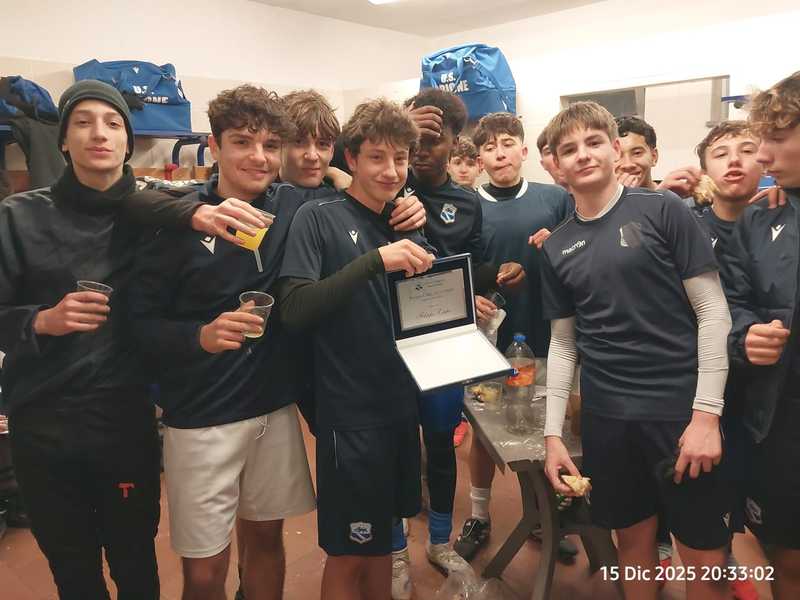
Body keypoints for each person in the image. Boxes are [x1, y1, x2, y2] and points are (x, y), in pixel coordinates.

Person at [0, 80, 257, 600]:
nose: (99, 133)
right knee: (73, 570)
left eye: (113, 123)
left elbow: (210, 204)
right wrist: (42, 321)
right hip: (42, 425)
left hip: (123, 422)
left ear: (127, 142)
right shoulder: (18, 217)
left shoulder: (154, 215)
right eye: (83, 122)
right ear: (63, 140)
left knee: (136, 562)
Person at [128, 85, 318, 600]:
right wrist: (200, 336)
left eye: (270, 145)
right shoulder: (179, 220)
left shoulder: (293, 208)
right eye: (242, 142)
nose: (259, 157)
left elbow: (350, 180)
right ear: (214, 146)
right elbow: (138, 326)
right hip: (201, 418)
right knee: (205, 570)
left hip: (273, 409)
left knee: (266, 544)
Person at [541, 101, 733, 600]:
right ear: (556, 165)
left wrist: (707, 416)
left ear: (614, 148)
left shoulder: (663, 210)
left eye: (593, 142)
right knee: (631, 541)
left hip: (679, 414)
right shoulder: (556, 246)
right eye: (569, 149)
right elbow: (563, 344)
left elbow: (714, 312)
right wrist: (552, 435)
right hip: (609, 419)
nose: (583, 155)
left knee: (703, 555)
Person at [277, 98, 435, 600]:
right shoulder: (317, 217)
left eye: (400, 159)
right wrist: (374, 261)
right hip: (350, 416)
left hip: (400, 405)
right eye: (377, 157)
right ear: (351, 158)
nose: (390, 171)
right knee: (348, 553)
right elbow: (294, 308)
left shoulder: (405, 219)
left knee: (384, 540)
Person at [454, 112, 577, 563]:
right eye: (489, 147)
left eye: (508, 143)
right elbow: (456, 269)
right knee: (483, 434)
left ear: (524, 150)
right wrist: (470, 300)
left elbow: (579, 257)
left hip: (546, 334)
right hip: (487, 339)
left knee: (547, 428)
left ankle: (544, 516)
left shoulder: (555, 199)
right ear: (478, 158)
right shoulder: (466, 205)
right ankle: (479, 515)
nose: (500, 153)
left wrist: (558, 245)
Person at [723, 70, 800, 600]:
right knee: (787, 555)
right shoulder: (759, 219)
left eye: (776, 138)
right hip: (781, 421)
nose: (763, 157)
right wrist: (744, 335)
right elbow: (731, 303)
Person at [614, 114, 704, 198]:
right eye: (616, 155)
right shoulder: (605, 205)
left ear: (654, 157)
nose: (628, 164)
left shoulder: (676, 196)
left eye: (637, 153)